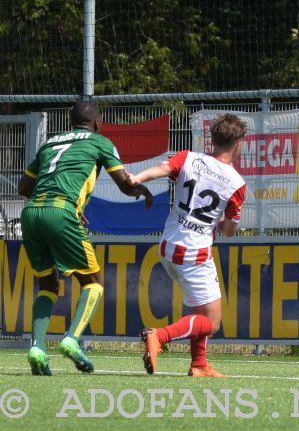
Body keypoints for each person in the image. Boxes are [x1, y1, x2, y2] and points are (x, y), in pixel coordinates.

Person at [17, 100, 154, 376]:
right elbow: (125, 184)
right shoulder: (99, 141)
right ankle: (71, 339)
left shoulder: (50, 143)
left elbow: (24, 187)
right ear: (98, 123)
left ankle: (37, 347)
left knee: (48, 285)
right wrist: (143, 192)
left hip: (31, 213)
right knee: (94, 282)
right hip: (62, 213)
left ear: (71, 123)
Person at [128, 113, 247, 378]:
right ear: (239, 144)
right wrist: (226, 220)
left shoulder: (189, 158)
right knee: (212, 322)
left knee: (199, 310)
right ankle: (159, 336)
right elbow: (228, 230)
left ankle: (199, 364)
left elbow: (161, 170)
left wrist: (135, 179)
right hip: (194, 254)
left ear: (211, 141)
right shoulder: (237, 184)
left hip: (167, 247)